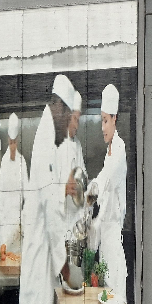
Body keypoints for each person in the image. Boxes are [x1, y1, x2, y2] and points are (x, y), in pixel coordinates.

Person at [18, 74, 74, 304]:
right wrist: (64, 264)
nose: (67, 126)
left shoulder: (48, 137)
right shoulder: (45, 144)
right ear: (59, 106)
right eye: (68, 116)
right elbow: (51, 208)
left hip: (39, 259)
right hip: (40, 262)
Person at [86, 84, 127, 304]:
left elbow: (104, 180)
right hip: (106, 241)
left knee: (115, 299)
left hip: (112, 241)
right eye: (101, 121)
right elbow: (101, 179)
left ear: (114, 119)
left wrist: (87, 198)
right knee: (106, 298)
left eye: (105, 121)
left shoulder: (118, 150)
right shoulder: (109, 151)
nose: (102, 127)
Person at [0, 111, 27, 253]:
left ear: (18, 141)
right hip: (4, 225)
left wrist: (22, 222)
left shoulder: (22, 162)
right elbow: (1, 198)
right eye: (10, 143)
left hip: (19, 224)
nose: (13, 147)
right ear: (8, 140)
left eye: (15, 143)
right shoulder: (3, 163)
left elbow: (27, 195)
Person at [57, 88, 85, 221]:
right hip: (59, 219)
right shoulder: (55, 143)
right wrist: (64, 189)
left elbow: (82, 176)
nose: (77, 125)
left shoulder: (77, 144)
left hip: (75, 218)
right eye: (75, 119)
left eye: (78, 120)